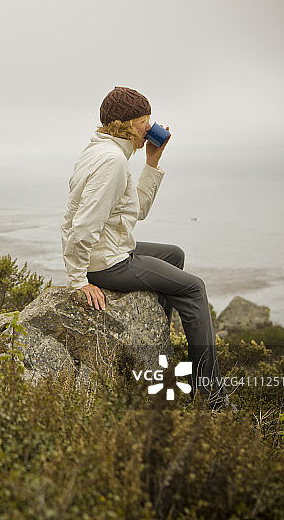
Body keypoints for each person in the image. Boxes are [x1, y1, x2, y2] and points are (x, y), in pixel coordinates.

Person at [61, 86, 230, 410]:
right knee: (194, 289)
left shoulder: (102, 152)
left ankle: (156, 344)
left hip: (111, 247)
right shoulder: (111, 161)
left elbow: (135, 209)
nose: (150, 129)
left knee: (174, 254)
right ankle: (212, 399)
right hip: (107, 261)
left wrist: (152, 161)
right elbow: (83, 224)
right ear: (125, 124)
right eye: (145, 122)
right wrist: (79, 280)